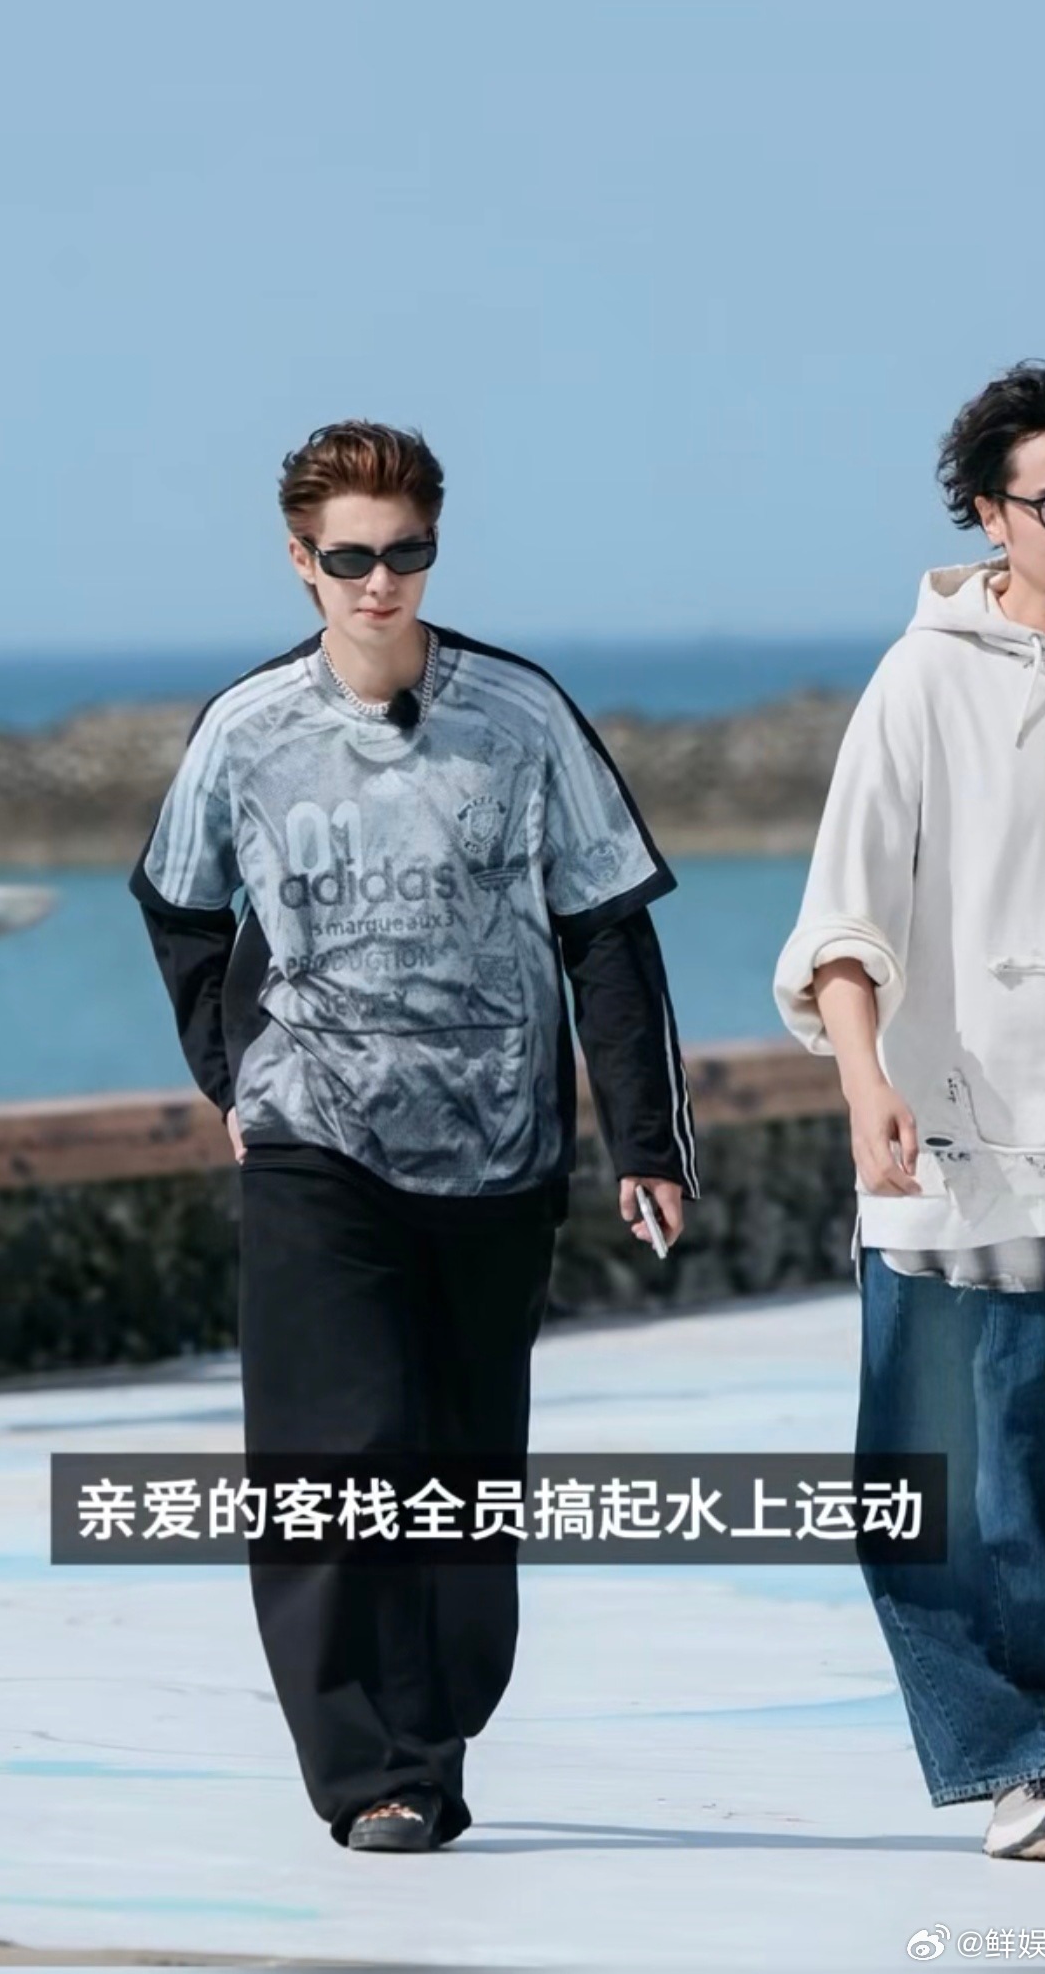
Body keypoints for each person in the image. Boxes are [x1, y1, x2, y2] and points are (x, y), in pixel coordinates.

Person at [130, 419, 698, 1852]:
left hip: (497, 1147)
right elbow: (179, 903)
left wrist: (645, 1141)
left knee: (458, 1471)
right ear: (299, 561)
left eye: (407, 553)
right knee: (335, 1457)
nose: (379, 582)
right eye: (350, 559)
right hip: (313, 1137)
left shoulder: (521, 713)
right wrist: (235, 1077)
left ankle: (433, 1727)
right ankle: (374, 1771)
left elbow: (606, 929)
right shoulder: (247, 731)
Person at [774, 359, 1045, 1864]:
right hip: (970, 1140)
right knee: (983, 1481)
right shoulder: (919, 683)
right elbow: (845, 918)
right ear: (990, 514)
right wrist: (867, 1083)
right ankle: (1026, 1759)